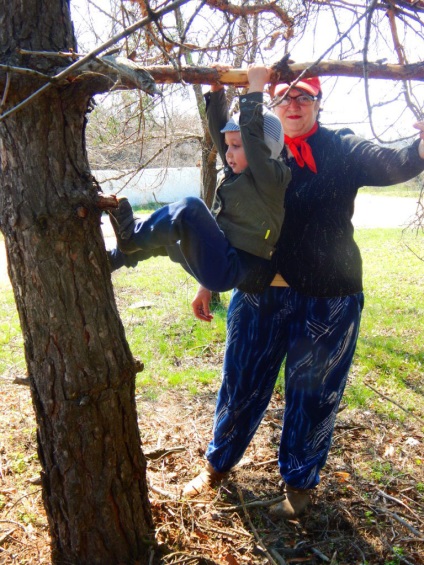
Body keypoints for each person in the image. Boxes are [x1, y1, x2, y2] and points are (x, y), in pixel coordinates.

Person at [183, 74, 424, 519]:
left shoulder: (342, 148)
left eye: (304, 96)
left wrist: (419, 149)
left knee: (313, 397)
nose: (294, 104)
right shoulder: (252, 149)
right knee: (239, 386)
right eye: (284, 96)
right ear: (273, 103)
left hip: (328, 299)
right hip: (259, 295)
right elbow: (232, 223)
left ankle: (298, 488)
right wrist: (208, 280)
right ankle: (217, 466)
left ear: (318, 102)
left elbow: (389, 161)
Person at [105, 66, 291, 293]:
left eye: (236, 146)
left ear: (264, 148)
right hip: (217, 255)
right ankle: (115, 258)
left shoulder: (271, 178)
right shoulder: (239, 168)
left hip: (229, 269)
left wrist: (256, 87)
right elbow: (220, 131)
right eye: (228, 145)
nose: (228, 153)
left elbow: (252, 138)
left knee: (190, 210)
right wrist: (216, 88)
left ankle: (131, 236)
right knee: (166, 235)